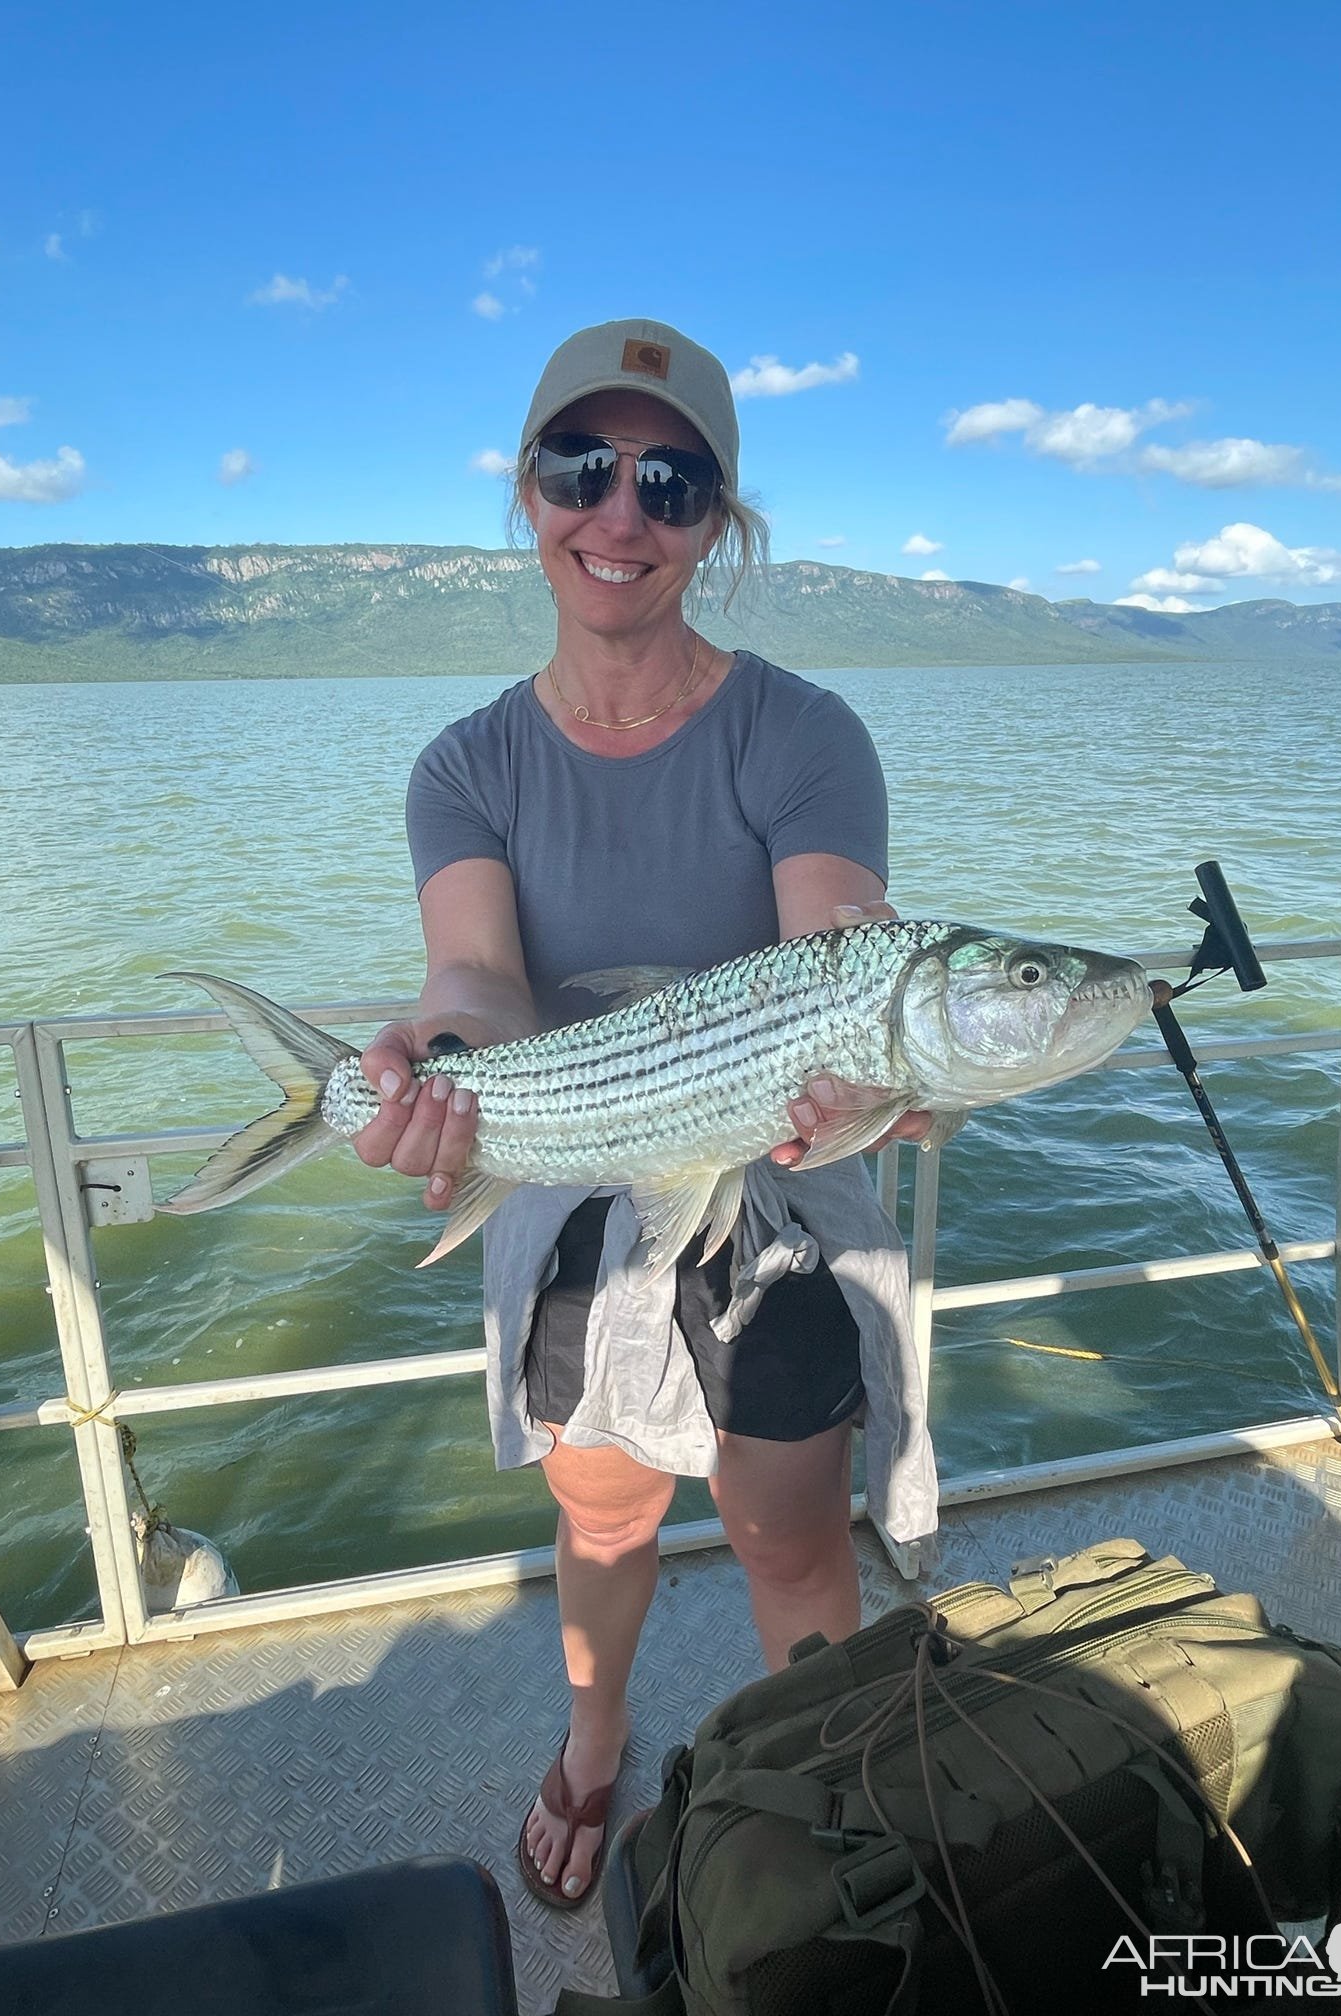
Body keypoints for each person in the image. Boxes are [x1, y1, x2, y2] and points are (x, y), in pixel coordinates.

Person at [354, 318, 937, 1910]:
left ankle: (818, 1796)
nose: (620, 514)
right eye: (580, 468)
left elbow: (842, 952)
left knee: (784, 1530)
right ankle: (598, 1737)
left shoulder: (803, 732)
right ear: (526, 493)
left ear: (718, 522)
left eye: (670, 482)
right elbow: (477, 979)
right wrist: (435, 1057)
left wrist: (883, 1073)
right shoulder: (467, 763)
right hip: (570, 1169)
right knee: (602, 1513)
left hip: (780, 1169)